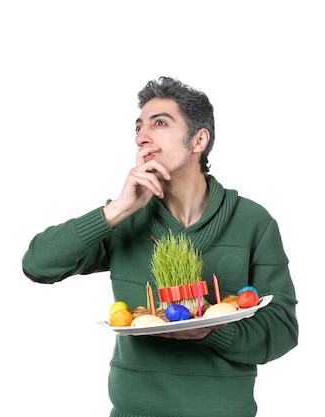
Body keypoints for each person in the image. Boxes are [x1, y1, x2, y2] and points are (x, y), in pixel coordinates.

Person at [21, 76, 299, 417]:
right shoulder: (126, 218)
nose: (141, 137)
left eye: (160, 123)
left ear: (199, 139)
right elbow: (37, 264)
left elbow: (282, 330)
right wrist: (117, 210)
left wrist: (211, 332)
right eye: (138, 127)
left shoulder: (253, 221)